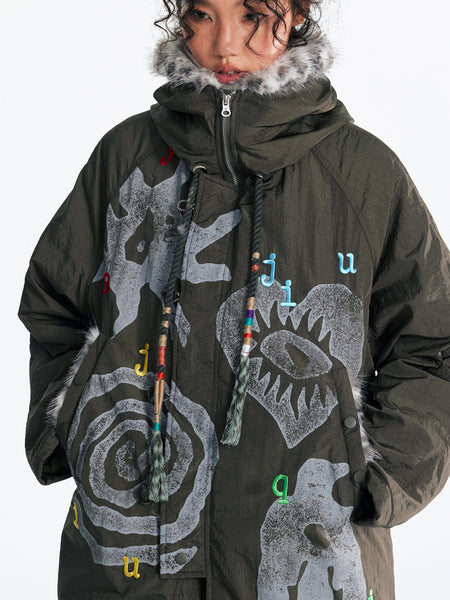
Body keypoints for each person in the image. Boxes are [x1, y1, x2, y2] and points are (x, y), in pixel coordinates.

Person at [18, 0, 450, 598]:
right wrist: (70, 423)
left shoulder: (362, 173)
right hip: (128, 559)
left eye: (250, 15)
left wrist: (378, 474)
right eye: (202, 14)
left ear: (296, 13)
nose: (224, 45)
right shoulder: (125, 157)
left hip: (309, 559)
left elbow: (433, 341)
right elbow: (55, 301)